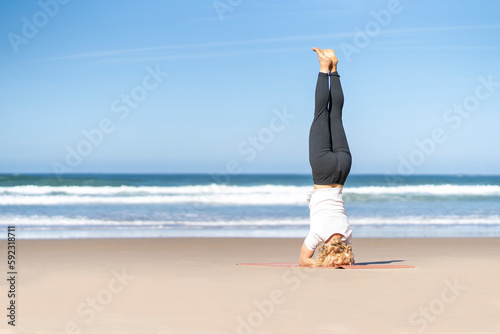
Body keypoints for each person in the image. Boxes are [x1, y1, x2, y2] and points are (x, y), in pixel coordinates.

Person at [298, 47, 355, 267]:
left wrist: (343, 259)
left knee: (337, 115)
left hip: (342, 169)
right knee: (321, 112)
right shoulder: (318, 235)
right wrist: (320, 264)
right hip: (323, 173)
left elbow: (351, 260)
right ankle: (323, 67)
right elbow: (304, 260)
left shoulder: (347, 234)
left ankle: (334, 67)